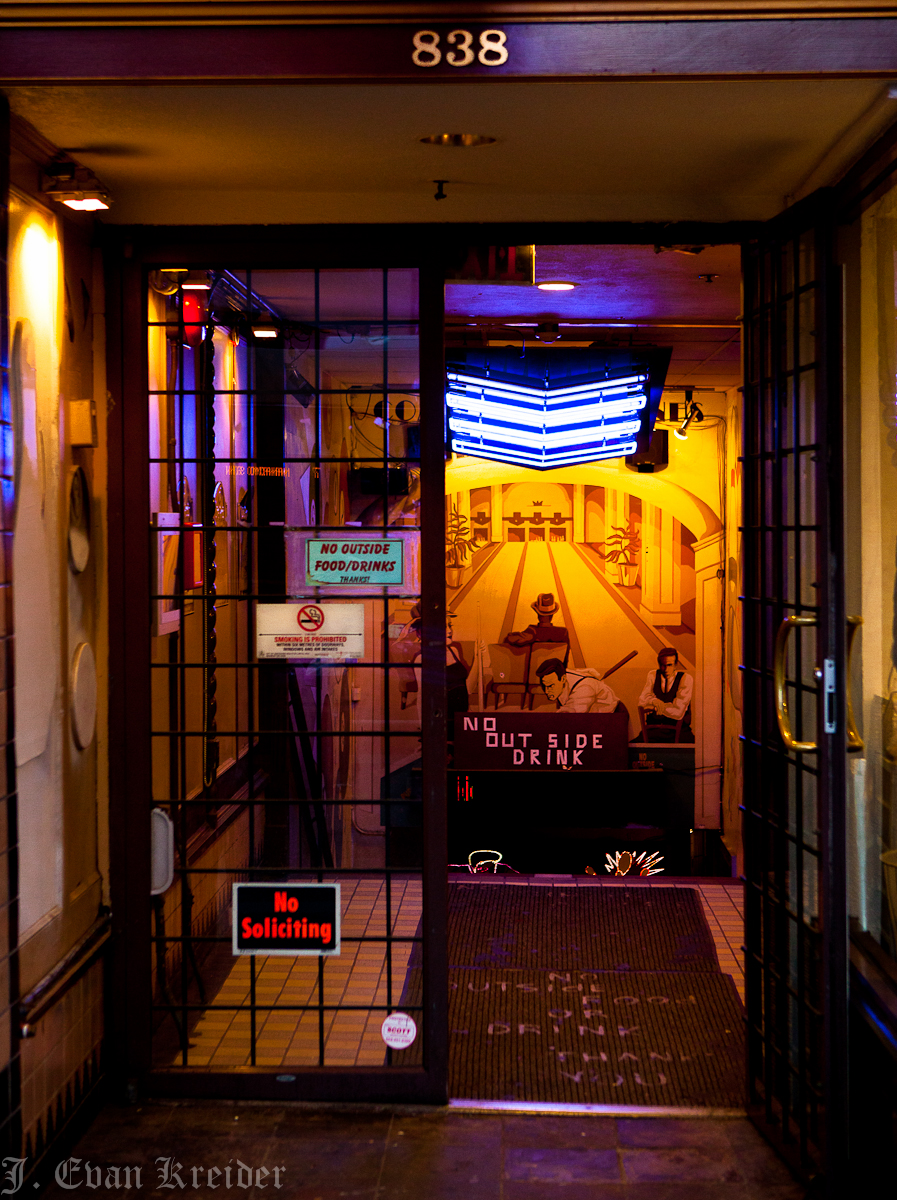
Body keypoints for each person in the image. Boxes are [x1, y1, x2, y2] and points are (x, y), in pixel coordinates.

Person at [637, 647, 694, 742]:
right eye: (663, 665)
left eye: (670, 665)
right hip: (654, 730)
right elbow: (641, 701)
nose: (666, 669)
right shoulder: (653, 675)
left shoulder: (685, 679)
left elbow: (678, 712)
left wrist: (656, 707)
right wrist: (654, 701)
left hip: (679, 732)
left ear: (676, 664)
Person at [535, 657, 618, 713]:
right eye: (544, 685)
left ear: (563, 679)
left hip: (612, 717)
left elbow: (569, 714)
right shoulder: (561, 673)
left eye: (550, 686)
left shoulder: (584, 688)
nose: (546, 691)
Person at [505, 593, 570, 647]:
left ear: (538, 615)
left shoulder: (532, 631)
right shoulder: (563, 632)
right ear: (552, 615)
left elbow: (510, 639)